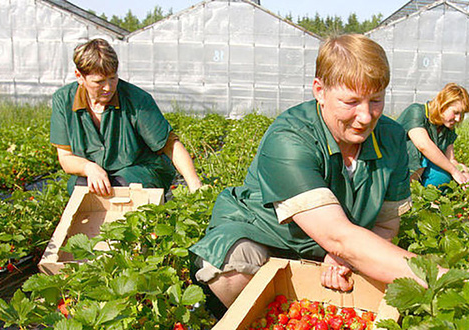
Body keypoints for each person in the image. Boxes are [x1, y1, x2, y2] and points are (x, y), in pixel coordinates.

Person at [190, 34, 429, 311]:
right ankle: (238, 324)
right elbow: (338, 237)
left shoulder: (391, 138)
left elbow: (386, 226)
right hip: (267, 238)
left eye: (376, 100)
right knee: (235, 264)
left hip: (337, 243)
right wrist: (438, 278)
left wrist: (344, 257)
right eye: (351, 102)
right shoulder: (289, 138)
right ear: (319, 91)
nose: (366, 116)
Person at [50, 38, 202, 196]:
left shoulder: (136, 99)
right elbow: (65, 157)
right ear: (79, 76)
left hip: (139, 170)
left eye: (112, 78)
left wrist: (195, 184)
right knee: (81, 187)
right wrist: (89, 168)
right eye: (99, 82)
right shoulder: (64, 100)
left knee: (123, 188)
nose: (108, 87)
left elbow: (170, 146)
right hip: (97, 171)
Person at [397, 83, 469, 188]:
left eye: (462, 114)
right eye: (455, 112)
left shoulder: (447, 128)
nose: (458, 118)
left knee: (443, 177)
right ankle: (407, 191)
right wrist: (454, 171)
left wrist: (462, 171)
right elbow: (423, 146)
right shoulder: (417, 111)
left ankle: (426, 194)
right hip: (396, 165)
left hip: (423, 169)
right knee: (417, 151)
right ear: (443, 105)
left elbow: (450, 159)